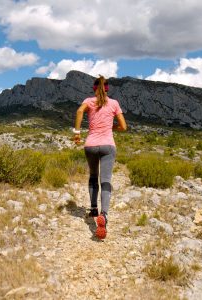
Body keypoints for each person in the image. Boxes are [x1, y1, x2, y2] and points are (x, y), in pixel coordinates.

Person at [73, 75, 127, 239]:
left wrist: (77, 134)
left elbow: (79, 111)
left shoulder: (89, 101)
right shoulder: (114, 103)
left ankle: (93, 208)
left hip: (90, 145)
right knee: (106, 180)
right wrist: (111, 127)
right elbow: (124, 126)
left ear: (94, 89)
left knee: (93, 176)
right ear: (107, 89)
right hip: (107, 146)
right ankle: (104, 214)